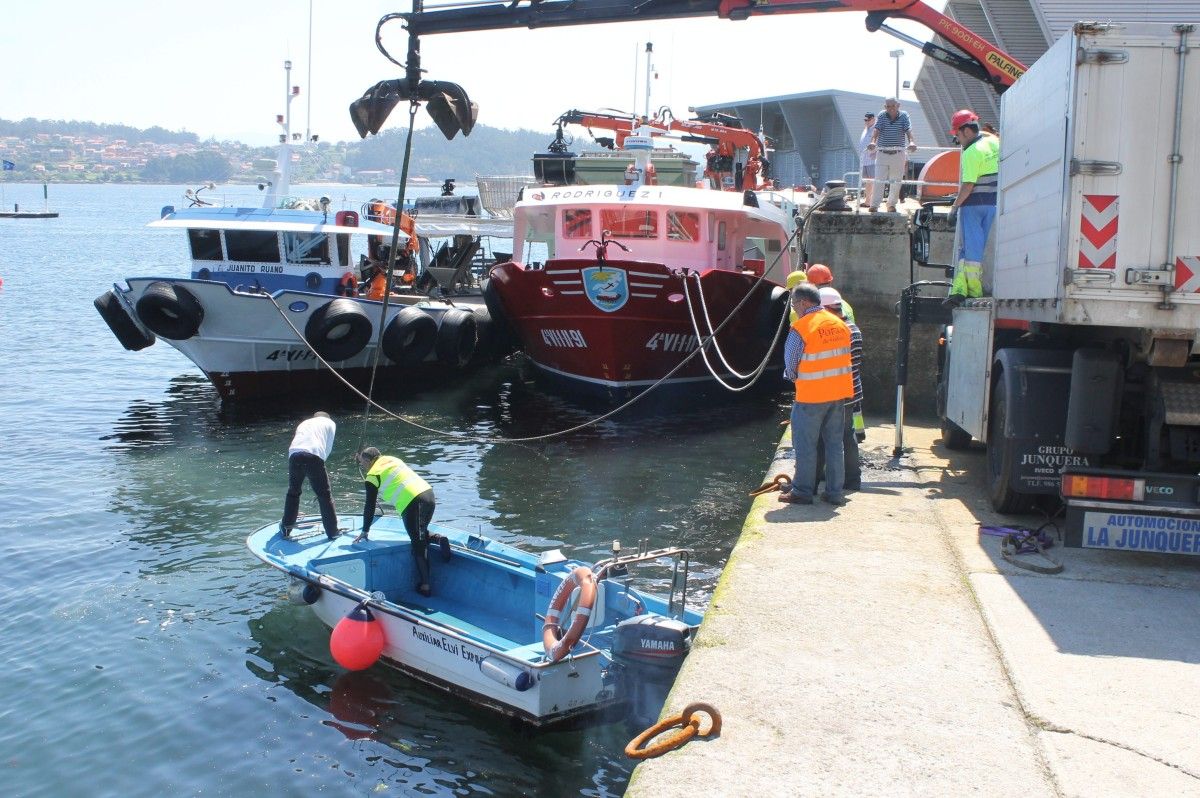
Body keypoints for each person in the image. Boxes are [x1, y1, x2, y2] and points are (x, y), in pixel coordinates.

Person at [779, 283, 855, 506]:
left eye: (794, 304)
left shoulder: (801, 327)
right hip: (838, 395)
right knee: (834, 445)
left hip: (811, 396)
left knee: (805, 445)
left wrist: (795, 378)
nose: (794, 308)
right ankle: (834, 493)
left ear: (803, 303)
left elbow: (791, 365)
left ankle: (802, 491)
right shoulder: (840, 325)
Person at [354, 447, 437, 597]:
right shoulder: (393, 459)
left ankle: (425, 586)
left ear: (368, 460)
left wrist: (365, 530)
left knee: (418, 543)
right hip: (428, 494)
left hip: (412, 503)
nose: (363, 467)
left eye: (363, 463)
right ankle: (437, 538)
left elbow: (370, 505)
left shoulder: (372, 475)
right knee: (420, 532)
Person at [944, 111, 1000, 307]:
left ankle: (970, 291)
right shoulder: (994, 143)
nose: (957, 140)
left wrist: (954, 207)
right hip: (991, 205)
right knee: (979, 247)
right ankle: (966, 289)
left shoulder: (970, 153)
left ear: (966, 131)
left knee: (968, 250)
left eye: (957, 135)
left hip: (973, 206)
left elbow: (968, 185)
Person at [812, 287, 864, 493]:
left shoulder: (838, 331)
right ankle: (852, 480)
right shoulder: (854, 329)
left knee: (828, 438)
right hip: (852, 390)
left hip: (837, 392)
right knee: (848, 436)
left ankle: (819, 481)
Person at [280, 411, 341, 541]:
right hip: (313, 454)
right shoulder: (331, 423)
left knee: (293, 492)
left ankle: (286, 528)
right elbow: (326, 449)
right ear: (327, 417)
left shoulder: (304, 422)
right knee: (324, 495)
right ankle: (333, 531)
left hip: (294, 453)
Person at [866, 98, 918, 213]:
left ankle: (891, 205)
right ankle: (874, 205)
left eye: (893, 106)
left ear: (898, 105)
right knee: (879, 180)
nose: (890, 109)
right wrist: (873, 142)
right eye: (888, 106)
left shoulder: (904, 116)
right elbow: (876, 129)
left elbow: (908, 129)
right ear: (885, 107)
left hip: (898, 154)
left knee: (896, 181)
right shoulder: (882, 115)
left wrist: (912, 142)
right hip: (882, 153)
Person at [858, 112, 877, 207]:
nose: (866, 122)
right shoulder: (866, 129)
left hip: (872, 160)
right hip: (864, 160)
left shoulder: (876, 129)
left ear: (873, 119)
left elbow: (880, 143)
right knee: (867, 181)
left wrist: (876, 153)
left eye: (868, 120)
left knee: (872, 181)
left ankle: (871, 202)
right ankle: (867, 201)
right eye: (865, 120)